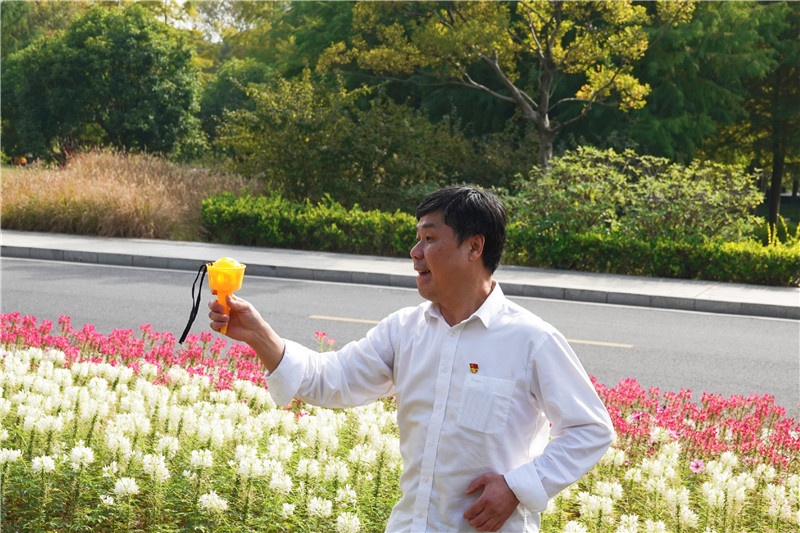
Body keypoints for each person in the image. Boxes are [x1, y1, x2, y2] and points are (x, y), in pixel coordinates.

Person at [208, 186, 614, 532]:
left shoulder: (531, 340)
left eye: (430, 238)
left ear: (474, 247)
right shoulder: (404, 330)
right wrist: (259, 335)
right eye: (417, 239)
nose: (415, 252)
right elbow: (331, 379)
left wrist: (517, 487)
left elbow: (590, 429)